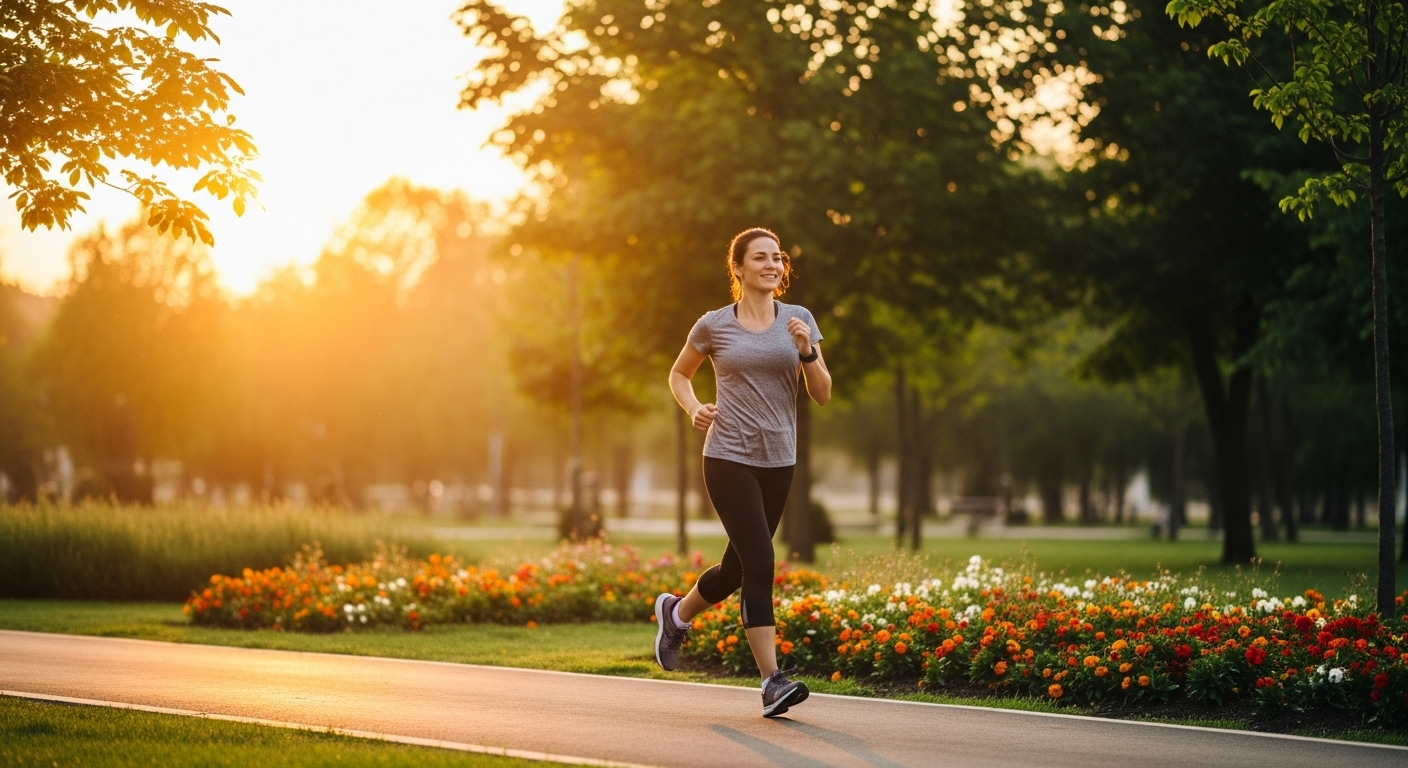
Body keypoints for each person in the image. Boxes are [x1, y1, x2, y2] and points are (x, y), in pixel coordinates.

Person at [653, 227, 832, 718]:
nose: (772, 265)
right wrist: (692, 407)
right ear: (738, 268)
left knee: (735, 569)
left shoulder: (799, 320)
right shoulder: (714, 325)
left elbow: (822, 393)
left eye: (777, 258)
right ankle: (772, 681)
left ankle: (676, 614)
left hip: (779, 460)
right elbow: (678, 373)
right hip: (727, 456)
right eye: (760, 258)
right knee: (760, 563)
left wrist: (807, 352)